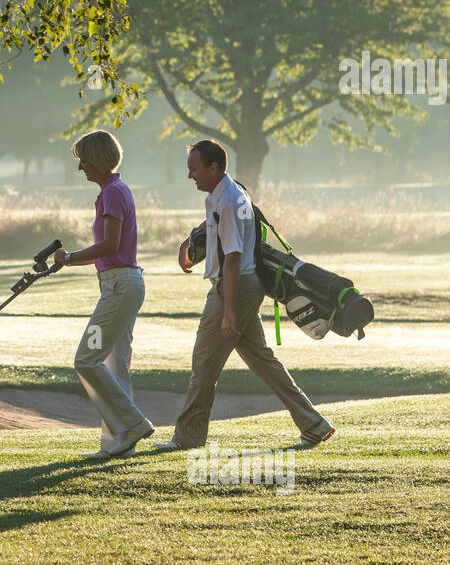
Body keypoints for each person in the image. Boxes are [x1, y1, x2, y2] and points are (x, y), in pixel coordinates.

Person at [157, 139, 335, 451]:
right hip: (248, 286)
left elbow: (234, 257)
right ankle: (313, 424)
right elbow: (213, 223)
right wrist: (189, 241)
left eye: (194, 169)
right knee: (263, 361)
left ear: (213, 168)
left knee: (204, 363)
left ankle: (188, 437)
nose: (190, 176)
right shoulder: (229, 191)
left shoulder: (226, 201)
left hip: (234, 286)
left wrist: (227, 311)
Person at [53, 130, 155, 459]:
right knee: (114, 365)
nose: (79, 167)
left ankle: (133, 424)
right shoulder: (111, 191)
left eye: (82, 160)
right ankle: (117, 444)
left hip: (119, 288)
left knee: (86, 358)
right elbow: (109, 249)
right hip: (119, 285)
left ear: (96, 160)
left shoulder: (113, 192)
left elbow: (110, 245)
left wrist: (69, 258)